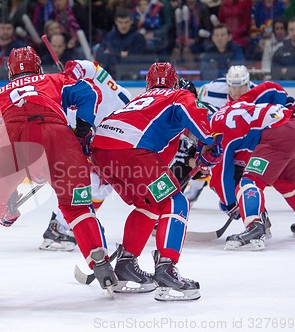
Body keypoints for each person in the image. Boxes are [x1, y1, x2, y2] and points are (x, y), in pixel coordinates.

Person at [0, 47, 118, 297]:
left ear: (10, 71)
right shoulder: (54, 79)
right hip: (56, 137)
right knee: (77, 207)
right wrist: (83, 130)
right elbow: (88, 92)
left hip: (11, 139)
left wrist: (7, 193)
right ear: (38, 67)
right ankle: (101, 266)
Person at [91, 62, 223, 301]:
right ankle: (166, 269)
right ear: (174, 82)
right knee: (176, 202)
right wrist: (209, 142)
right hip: (132, 151)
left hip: (101, 151)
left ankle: (126, 266)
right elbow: (193, 111)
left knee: (150, 204)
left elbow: (157, 158)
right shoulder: (177, 95)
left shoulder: (138, 102)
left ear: (148, 83)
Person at [38, 59, 132, 251]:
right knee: (90, 182)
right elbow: (82, 65)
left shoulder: (119, 99)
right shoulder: (75, 92)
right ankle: (61, 227)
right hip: (66, 139)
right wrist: (70, 76)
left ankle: (70, 222)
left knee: (101, 187)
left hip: (92, 141)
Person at [209, 81, 295, 250]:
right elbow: (268, 88)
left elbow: (220, 176)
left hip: (279, 135)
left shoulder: (214, 132)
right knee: (286, 183)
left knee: (249, 182)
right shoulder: (232, 108)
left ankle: (255, 226)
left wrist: (231, 204)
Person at [186, 65, 255, 203]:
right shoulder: (213, 89)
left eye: (241, 87)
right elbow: (198, 106)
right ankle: (196, 186)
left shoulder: (258, 94)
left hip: (243, 138)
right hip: (219, 134)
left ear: (247, 84)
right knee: (203, 154)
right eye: (233, 86)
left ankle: (241, 192)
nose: (237, 91)